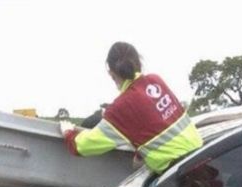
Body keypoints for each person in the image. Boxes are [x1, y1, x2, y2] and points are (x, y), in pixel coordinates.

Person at [60, 42, 203, 174]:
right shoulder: (155, 81)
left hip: (178, 176)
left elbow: (81, 147)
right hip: (204, 158)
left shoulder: (120, 108)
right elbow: (158, 124)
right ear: (138, 63)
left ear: (111, 74)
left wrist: (67, 132)